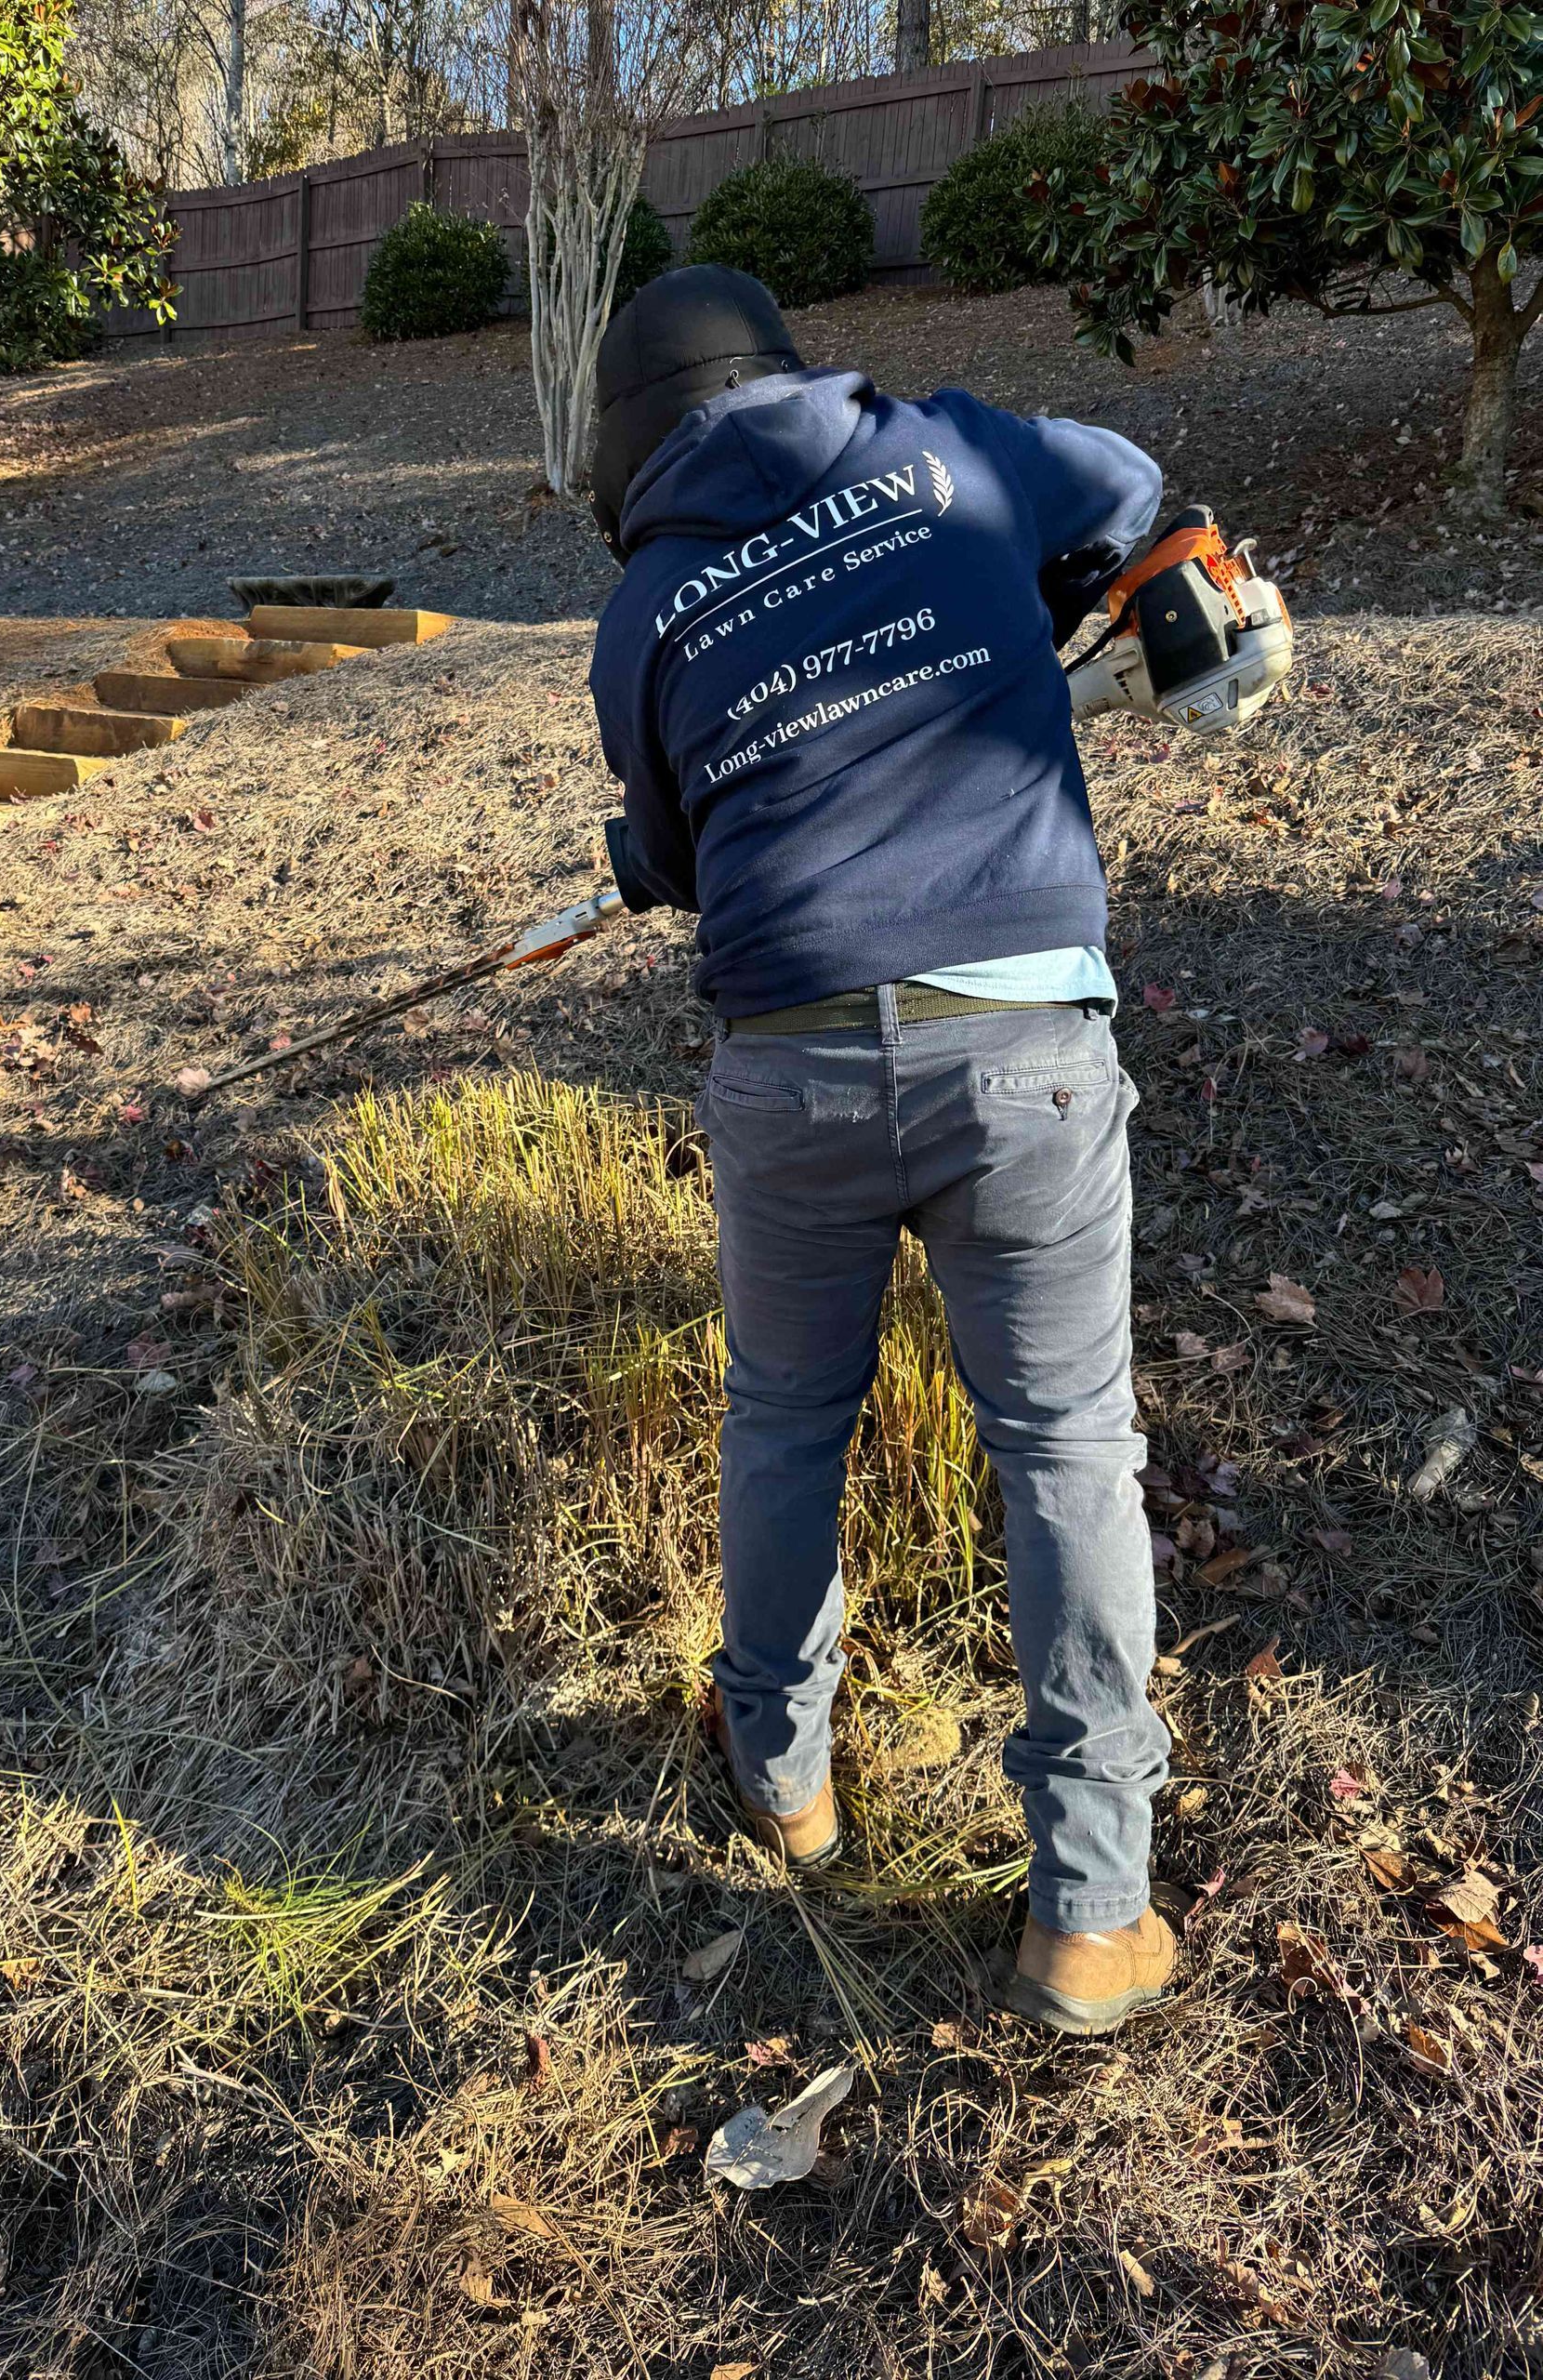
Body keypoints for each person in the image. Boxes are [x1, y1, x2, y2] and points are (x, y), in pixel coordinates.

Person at [587, 264, 1177, 2037]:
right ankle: (1091, 1907)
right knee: (1067, 1441)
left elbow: (677, 847)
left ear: (629, 450)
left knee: (787, 1414)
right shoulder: (952, 454)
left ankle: (785, 1772)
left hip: (791, 1074)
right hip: (1025, 1054)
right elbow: (1130, 488)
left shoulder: (647, 609)